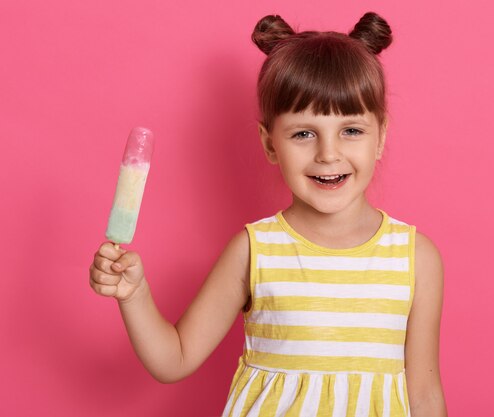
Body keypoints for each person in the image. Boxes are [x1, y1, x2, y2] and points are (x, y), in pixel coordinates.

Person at [89, 11, 447, 417]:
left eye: (351, 130)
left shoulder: (416, 258)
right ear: (270, 143)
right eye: (303, 133)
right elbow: (174, 359)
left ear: (380, 135)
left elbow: (424, 396)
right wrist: (133, 295)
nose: (328, 153)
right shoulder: (254, 250)